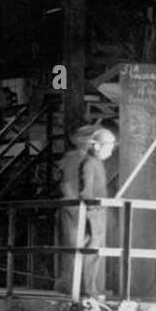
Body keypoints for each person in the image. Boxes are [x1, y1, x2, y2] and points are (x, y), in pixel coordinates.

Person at [56, 124, 116, 297]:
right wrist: (92, 207)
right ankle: (89, 289)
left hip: (84, 209)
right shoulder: (88, 162)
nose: (111, 150)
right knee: (91, 250)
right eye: (109, 146)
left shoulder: (86, 160)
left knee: (82, 250)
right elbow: (83, 190)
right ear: (95, 144)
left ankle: (81, 287)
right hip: (89, 210)